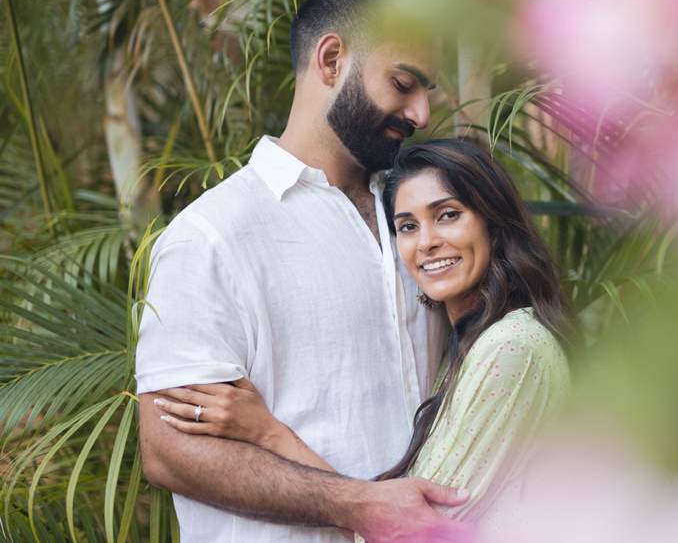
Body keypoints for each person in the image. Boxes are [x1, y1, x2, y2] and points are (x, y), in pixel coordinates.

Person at [136, 0, 472, 543]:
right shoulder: (212, 235)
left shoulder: (421, 220)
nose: (420, 111)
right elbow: (171, 452)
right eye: (404, 83)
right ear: (333, 59)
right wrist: (362, 506)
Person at [153, 139, 578, 537]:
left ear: (494, 222)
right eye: (407, 226)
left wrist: (269, 434)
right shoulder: (469, 345)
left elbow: (418, 533)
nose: (427, 242)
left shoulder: (512, 347)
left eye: (448, 215)